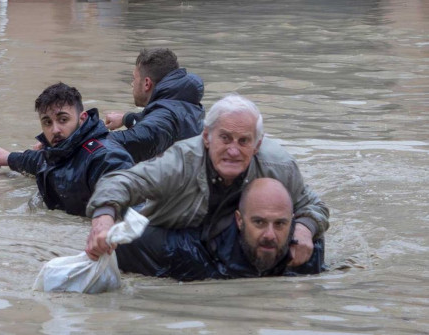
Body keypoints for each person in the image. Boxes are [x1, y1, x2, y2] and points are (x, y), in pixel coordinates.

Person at [85, 94, 330, 269]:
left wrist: (304, 228)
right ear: (206, 137)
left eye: (243, 141)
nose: (233, 150)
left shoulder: (279, 166)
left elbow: (313, 206)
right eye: (225, 138)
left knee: (312, 248)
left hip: (233, 236)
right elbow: (120, 182)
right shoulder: (180, 162)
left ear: (257, 145)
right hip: (179, 233)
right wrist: (103, 220)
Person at [115, 178, 314, 281]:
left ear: (292, 222)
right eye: (259, 223)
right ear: (240, 220)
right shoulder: (189, 251)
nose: (270, 235)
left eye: (280, 224)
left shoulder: (306, 254)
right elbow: (124, 240)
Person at [0, 82, 134, 217]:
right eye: (47, 122)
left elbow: (126, 196)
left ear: (82, 119)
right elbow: (37, 161)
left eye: (63, 120)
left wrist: (105, 218)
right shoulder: (57, 151)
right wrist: (9, 158)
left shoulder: (104, 157)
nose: (55, 130)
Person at [104, 48, 205, 163]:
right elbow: (156, 121)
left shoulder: (165, 116)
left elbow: (141, 137)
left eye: (134, 79)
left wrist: (89, 137)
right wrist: (126, 118)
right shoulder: (183, 102)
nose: (132, 84)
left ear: (147, 83)